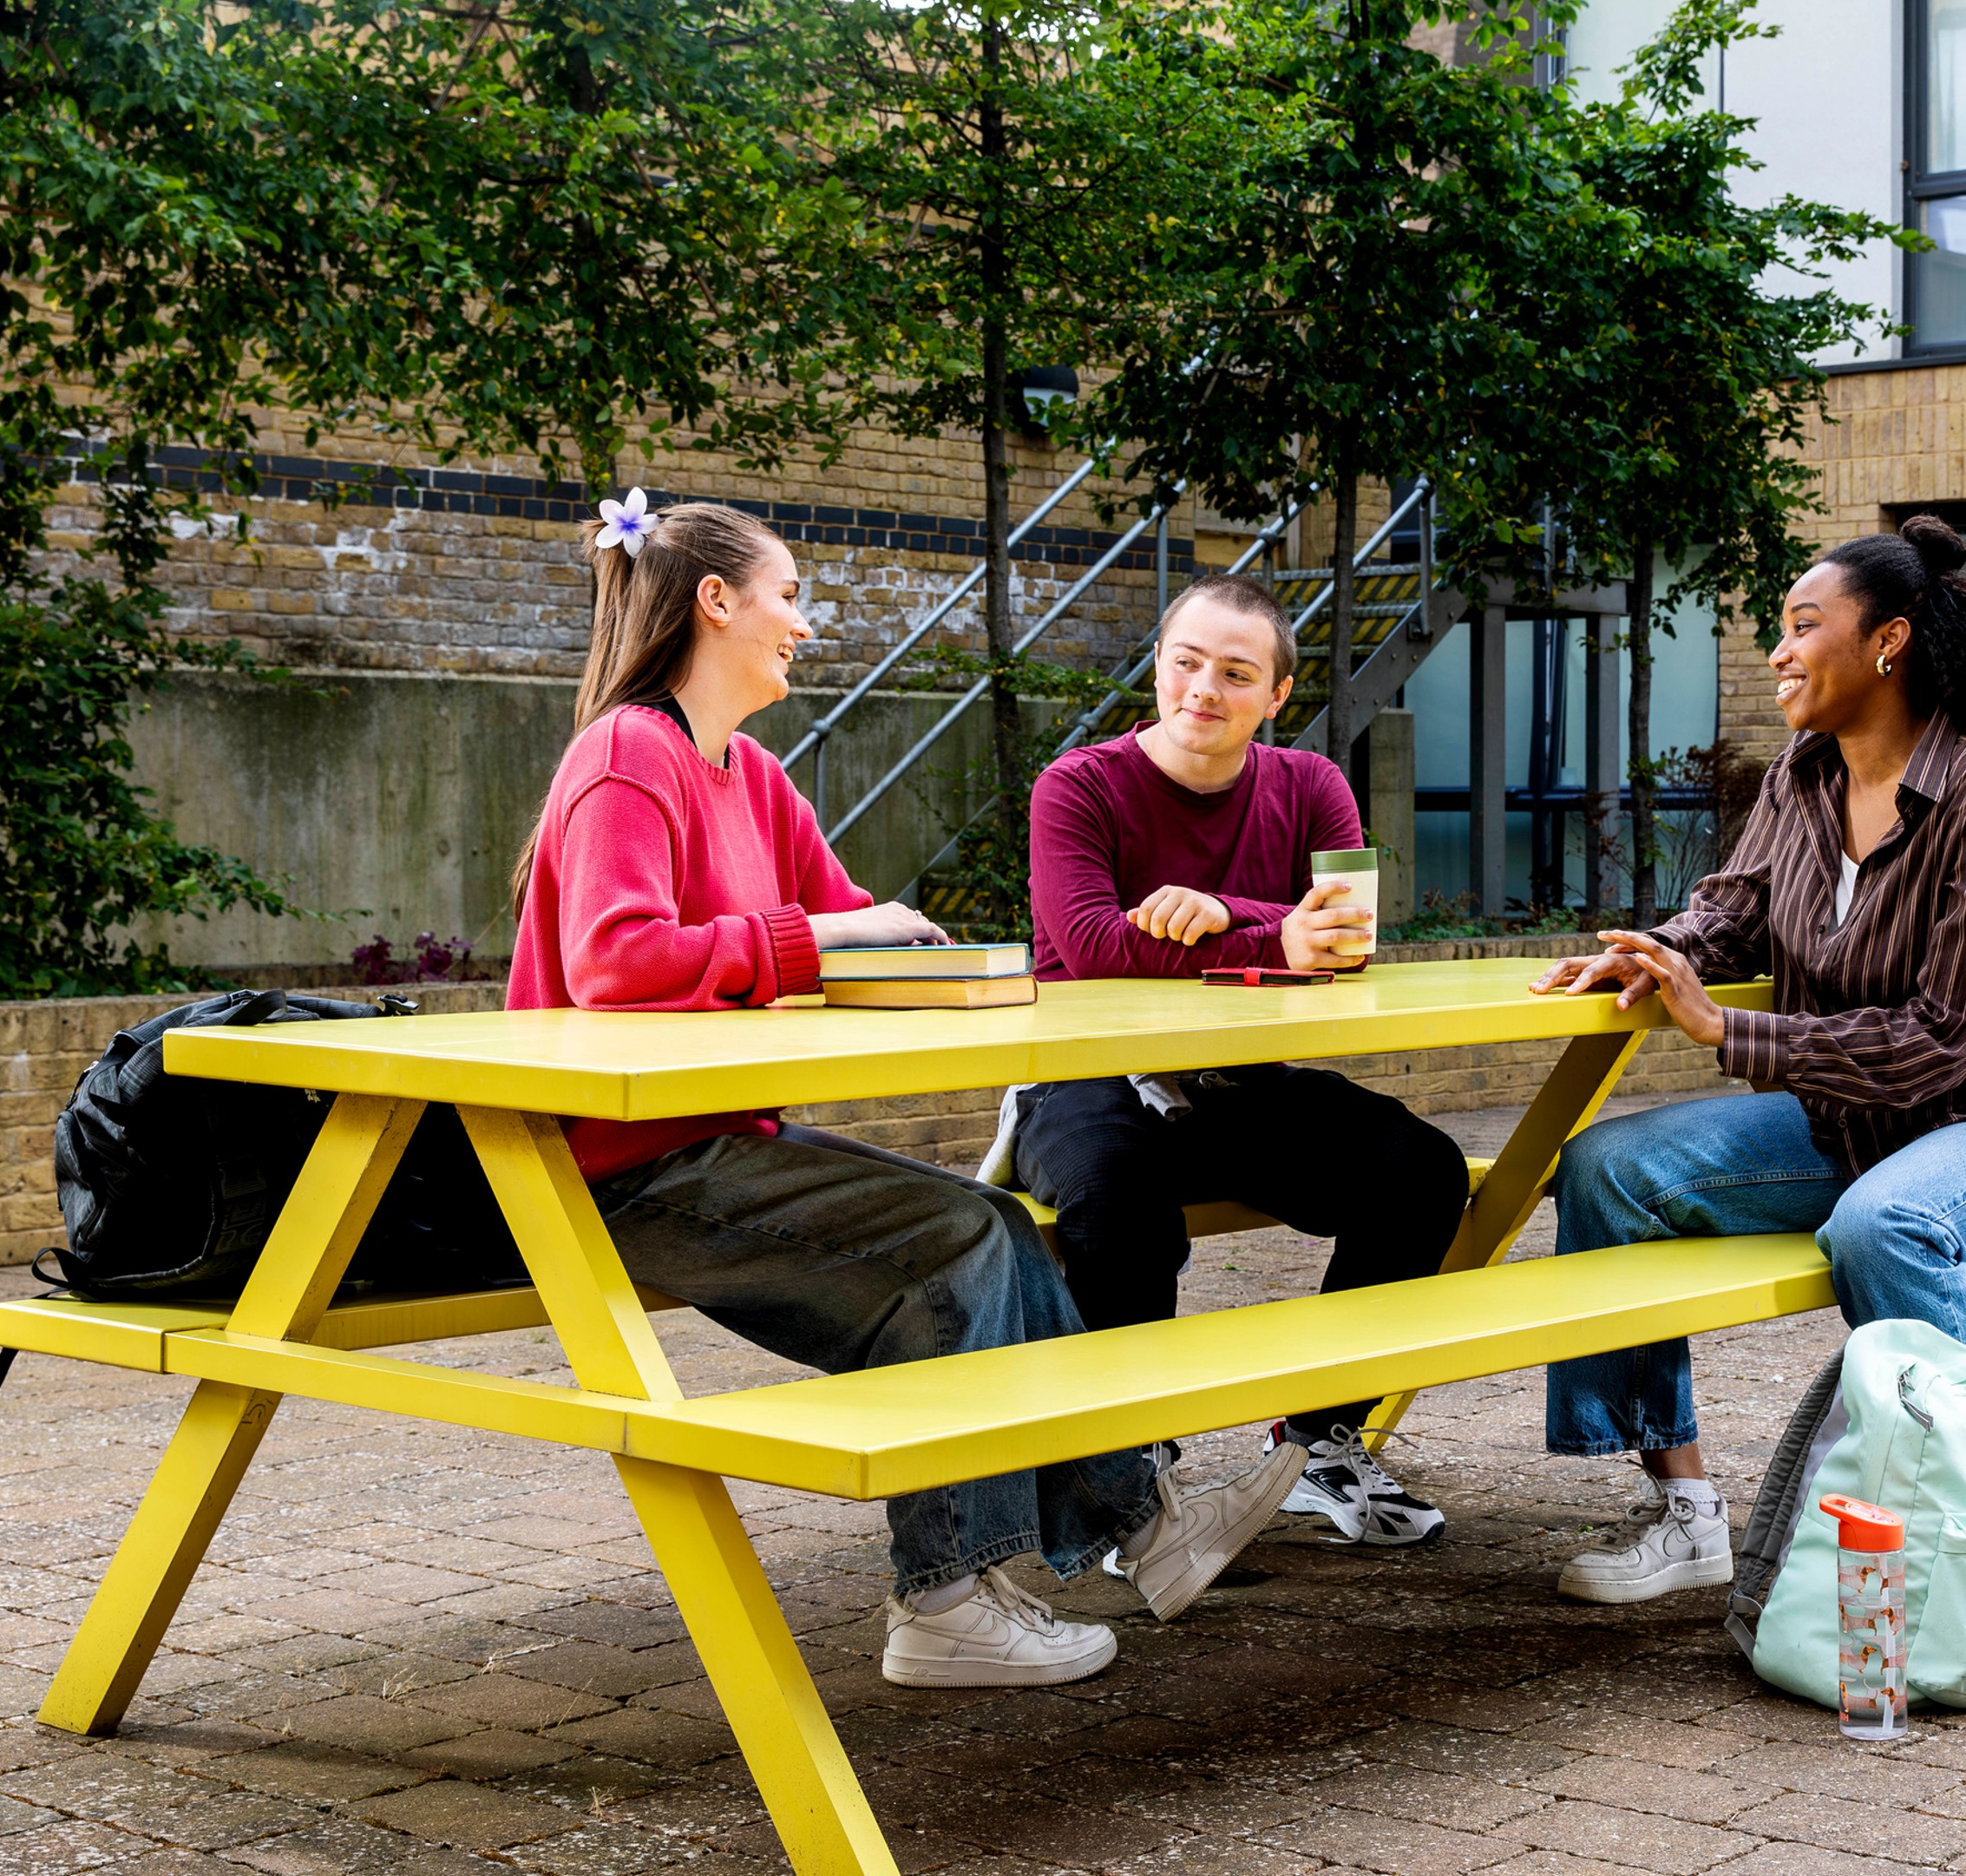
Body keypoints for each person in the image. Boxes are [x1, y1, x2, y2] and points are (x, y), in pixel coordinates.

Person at [509, 495, 1306, 1687]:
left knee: (999, 1232)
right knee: (954, 1254)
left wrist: (942, 965)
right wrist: (821, 943)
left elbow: (855, 937)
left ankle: (1146, 1519)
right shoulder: (628, 753)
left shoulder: (753, 775)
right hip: (615, 1170)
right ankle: (942, 1597)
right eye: (788, 595)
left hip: (719, 1146)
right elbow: (618, 962)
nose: (803, 623)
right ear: (716, 602)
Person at [1528, 514, 1966, 1604]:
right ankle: (1687, 1509)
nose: (1780, 651)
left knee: (1886, 1223)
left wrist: (1727, 1030)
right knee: (1608, 1167)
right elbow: (1734, 913)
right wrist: (1655, 953)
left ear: (1887, 642)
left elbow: (1944, 1036)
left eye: (1804, 625)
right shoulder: (1804, 774)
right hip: (1852, 1125)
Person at [1004, 573, 1471, 1545]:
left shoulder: (1308, 785)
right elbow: (1091, 945)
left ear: (1275, 696)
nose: (1202, 688)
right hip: (1094, 1077)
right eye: (1185, 661)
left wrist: (1229, 915)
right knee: (1114, 1199)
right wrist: (1272, 937)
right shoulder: (1078, 785)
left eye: (1234, 671)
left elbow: (1351, 936)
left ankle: (1320, 1443)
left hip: (1241, 1083)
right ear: (1159, 664)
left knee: (1420, 1170)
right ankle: (1130, 1476)